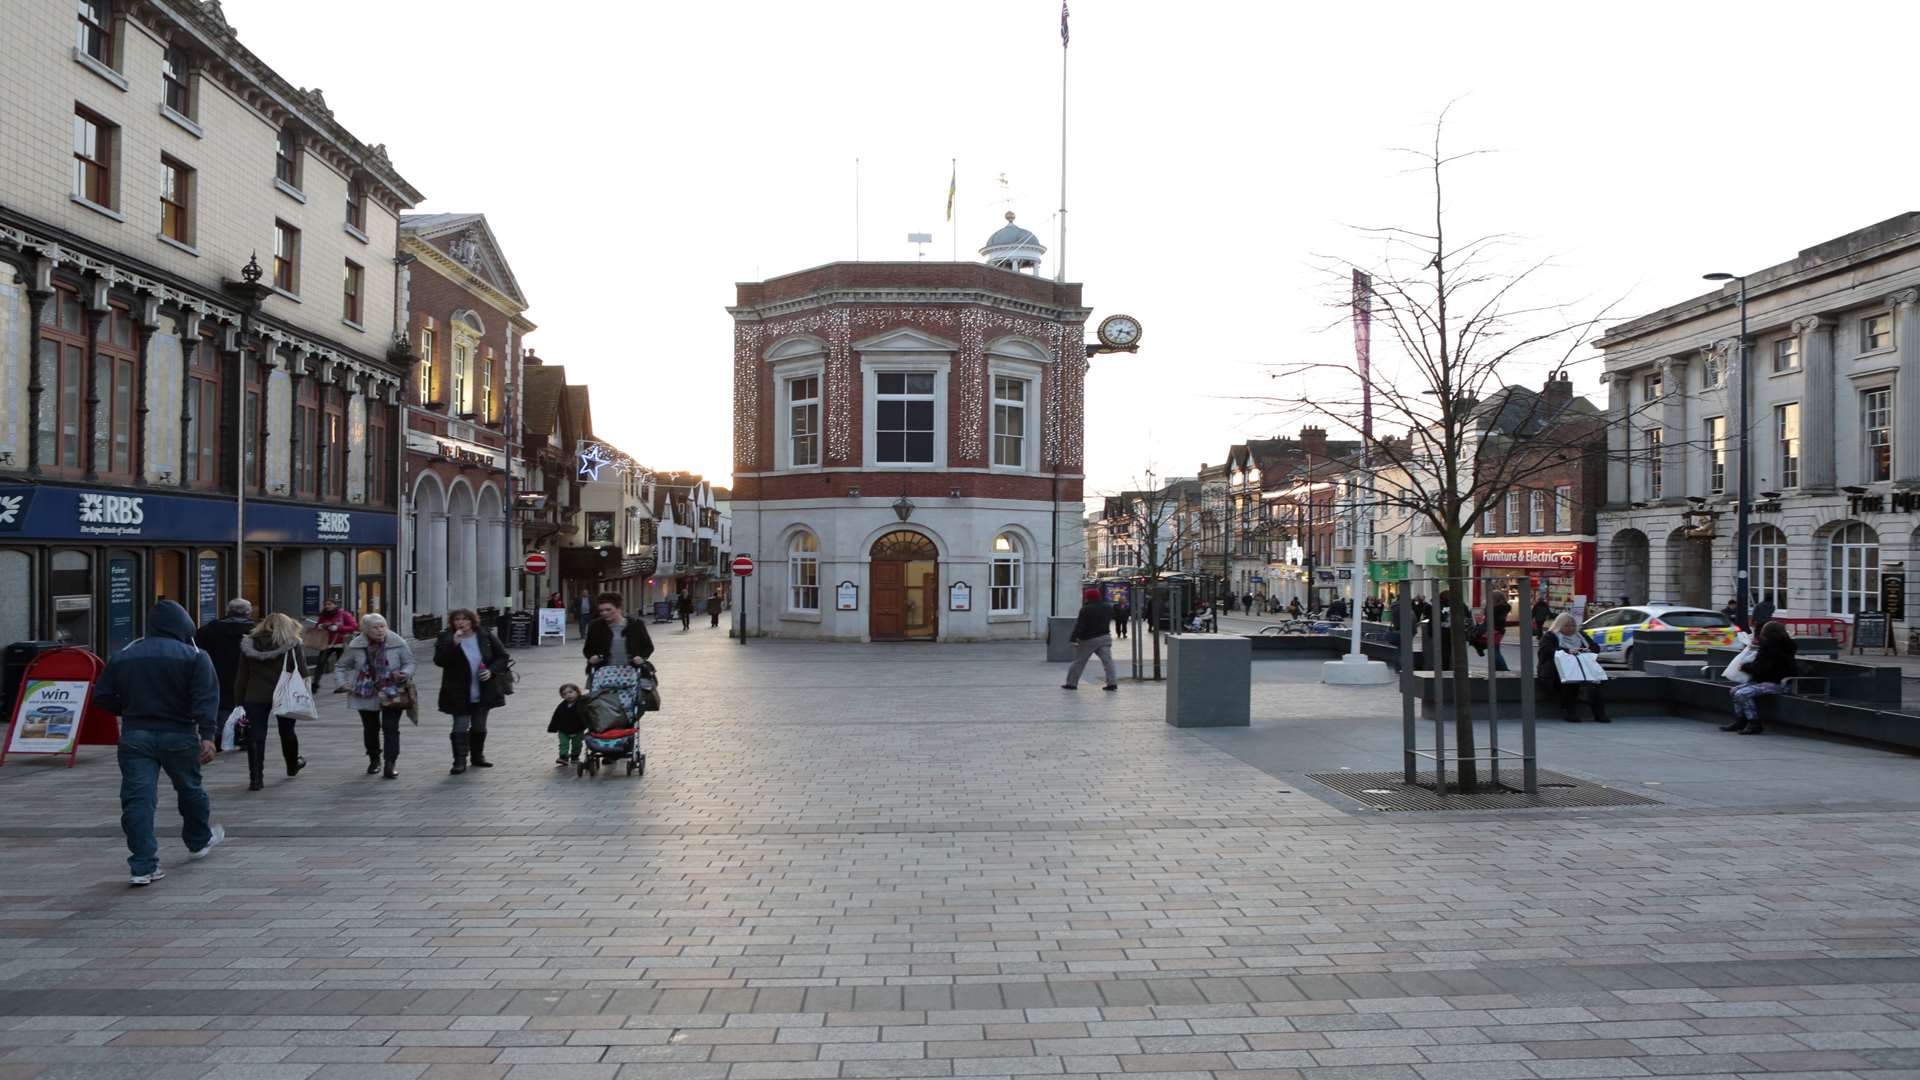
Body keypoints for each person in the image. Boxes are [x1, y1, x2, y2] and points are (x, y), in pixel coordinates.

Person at [96, 600, 224, 887]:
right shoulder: (194, 656)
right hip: (178, 734)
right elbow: (206, 699)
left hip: (135, 735)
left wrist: (128, 708)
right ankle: (198, 840)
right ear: (183, 625)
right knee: (190, 789)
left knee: (137, 800)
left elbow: (101, 696)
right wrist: (207, 736)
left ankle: (142, 865)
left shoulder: (124, 654)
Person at [233, 612, 309, 792]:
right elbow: (303, 671)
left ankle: (256, 779)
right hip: (285, 694)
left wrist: (238, 701)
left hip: (254, 695)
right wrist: (305, 693)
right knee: (287, 730)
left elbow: (242, 675)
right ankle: (292, 765)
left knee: (256, 735)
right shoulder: (292, 644)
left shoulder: (249, 644)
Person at [334, 613, 415, 780]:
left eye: (382, 626)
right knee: (371, 728)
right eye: (375, 627)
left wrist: (404, 673)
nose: (380, 630)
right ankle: (374, 759)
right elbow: (341, 666)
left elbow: (410, 662)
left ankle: (390, 763)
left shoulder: (398, 643)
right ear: (365, 630)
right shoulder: (356, 645)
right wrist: (342, 683)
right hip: (365, 692)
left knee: (390, 727)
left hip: (393, 690)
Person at [434, 607, 509, 774]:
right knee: (460, 724)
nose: (461, 622)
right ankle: (459, 761)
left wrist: (491, 671)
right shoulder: (446, 637)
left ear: (472, 621)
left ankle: (477, 756)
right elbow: (440, 661)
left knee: (479, 725)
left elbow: (502, 656)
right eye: (457, 619)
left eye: (465, 619)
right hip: (458, 689)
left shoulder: (484, 635)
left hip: (483, 688)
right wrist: (454, 644)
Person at [584, 592, 656, 717]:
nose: (604, 613)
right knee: (603, 707)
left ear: (618, 608)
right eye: (601, 611)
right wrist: (592, 657)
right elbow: (588, 649)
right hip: (604, 675)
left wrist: (641, 658)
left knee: (630, 708)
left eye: (608, 609)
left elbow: (648, 647)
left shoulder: (636, 625)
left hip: (630, 673)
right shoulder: (595, 626)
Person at [194, 598, 254, 747]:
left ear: (227, 611)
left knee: (221, 705)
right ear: (248, 612)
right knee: (246, 704)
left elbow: (197, 650)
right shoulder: (255, 632)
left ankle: (220, 734)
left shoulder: (208, 630)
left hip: (217, 673)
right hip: (247, 675)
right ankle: (245, 734)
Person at [1724, 620, 1796, 735]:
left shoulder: (1772, 649)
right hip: (1766, 680)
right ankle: (1741, 721)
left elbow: (1762, 668)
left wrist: (1745, 667)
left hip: (1778, 683)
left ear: (1768, 634)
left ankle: (1754, 723)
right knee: (1734, 690)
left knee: (1741, 693)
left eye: (1763, 634)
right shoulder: (1774, 647)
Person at [1538, 612, 1611, 723]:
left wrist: (1584, 650)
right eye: (1567, 626)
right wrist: (1567, 651)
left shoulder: (1581, 635)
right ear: (1559, 626)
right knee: (1571, 682)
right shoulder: (1550, 635)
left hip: (1582, 668)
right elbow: (1546, 652)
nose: (1571, 629)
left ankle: (1599, 713)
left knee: (1595, 683)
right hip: (1557, 670)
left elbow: (1595, 647)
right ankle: (1569, 711)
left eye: (1573, 626)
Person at [1062, 587, 1118, 691]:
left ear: (1088, 598)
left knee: (1079, 661)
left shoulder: (1086, 609)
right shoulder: (1108, 607)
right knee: (1108, 662)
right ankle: (1112, 683)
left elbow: (1080, 625)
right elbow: (1113, 617)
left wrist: (1073, 638)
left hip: (1088, 639)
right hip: (1105, 637)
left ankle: (1071, 683)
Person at [313, 599, 358, 690]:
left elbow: (353, 626)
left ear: (335, 605)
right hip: (326, 643)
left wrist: (338, 628)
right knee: (320, 663)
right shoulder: (323, 615)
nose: (327, 606)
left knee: (341, 665)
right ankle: (315, 684)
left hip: (341, 644)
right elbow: (317, 626)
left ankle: (342, 685)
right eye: (325, 604)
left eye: (329, 604)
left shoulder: (344, 614)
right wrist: (320, 626)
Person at [549, 683, 587, 766]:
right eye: (565, 694)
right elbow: (556, 716)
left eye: (571, 692)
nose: (568, 695)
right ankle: (563, 757)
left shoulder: (582, 703)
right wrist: (553, 727)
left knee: (577, 745)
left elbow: (588, 714)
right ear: (562, 696)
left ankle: (574, 757)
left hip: (578, 729)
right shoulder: (562, 706)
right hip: (563, 729)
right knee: (563, 744)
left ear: (577, 692)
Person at [1490, 592, 1513, 672]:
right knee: (1495, 649)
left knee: (1494, 650)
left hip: (1494, 630)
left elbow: (1489, 619)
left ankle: (1504, 668)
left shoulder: (1494, 608)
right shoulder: (1506, 607)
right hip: (1500, 630)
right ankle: (1498, 667)